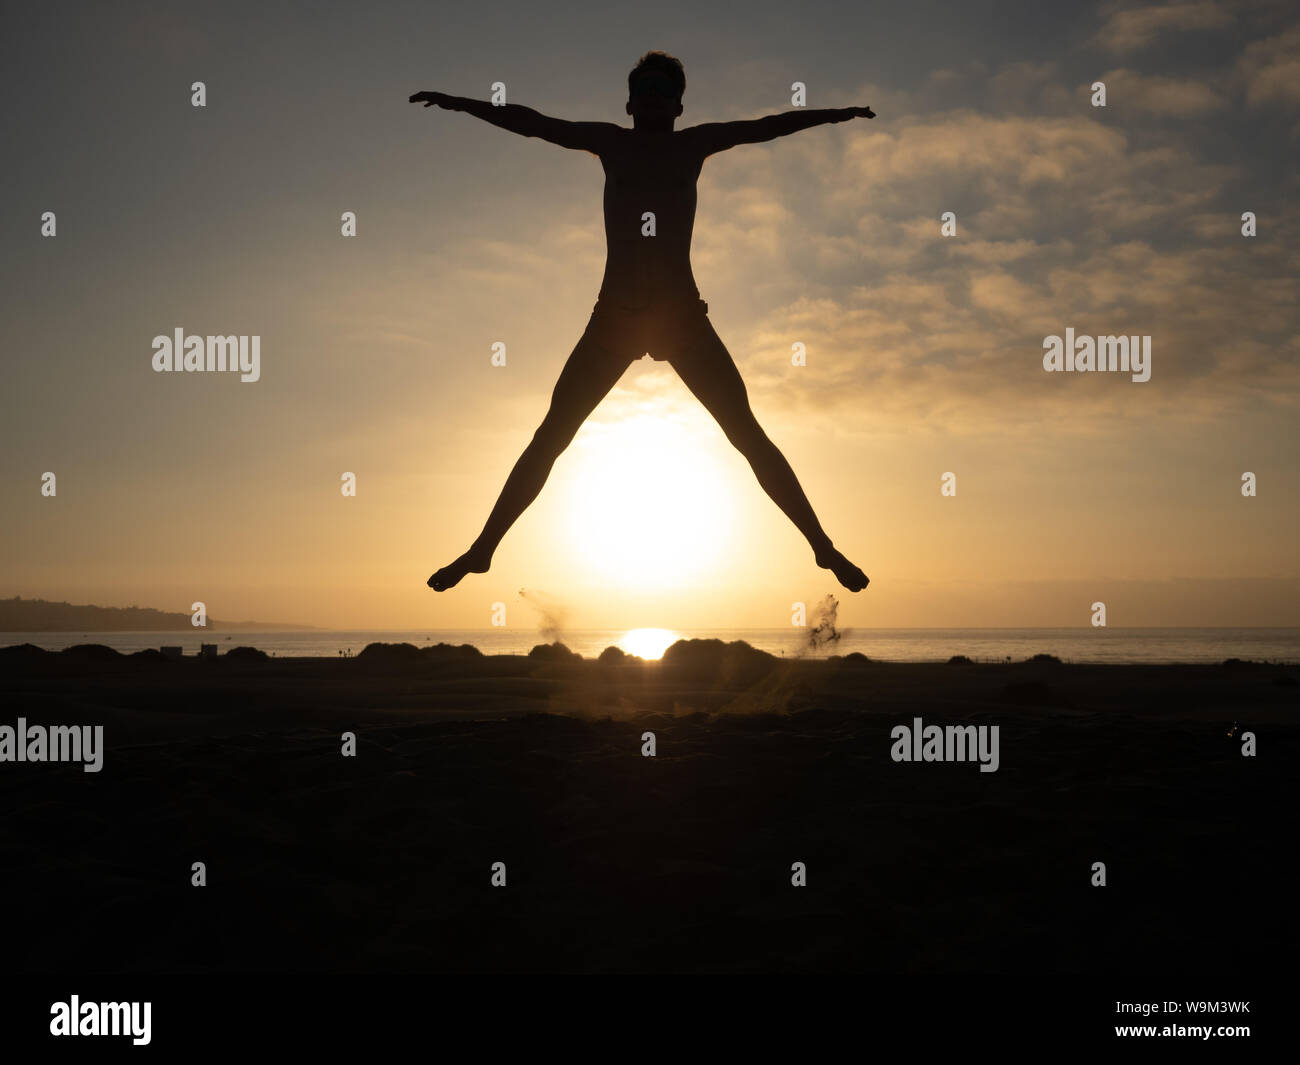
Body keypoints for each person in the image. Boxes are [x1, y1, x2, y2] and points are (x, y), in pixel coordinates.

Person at [411, 51, 873, 593]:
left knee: (747, 434)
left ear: (679, 105)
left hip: (681, 317)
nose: (652, 96)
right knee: (550, 437)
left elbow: (766, 126)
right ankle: (482, 551)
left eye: (662, 88)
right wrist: (462, 104)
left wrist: (832, 114)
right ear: (629, 102)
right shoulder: (612, 143)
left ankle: (823, 548)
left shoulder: (693, 145)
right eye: (644, 88)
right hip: (616, 319)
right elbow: (533, 124)